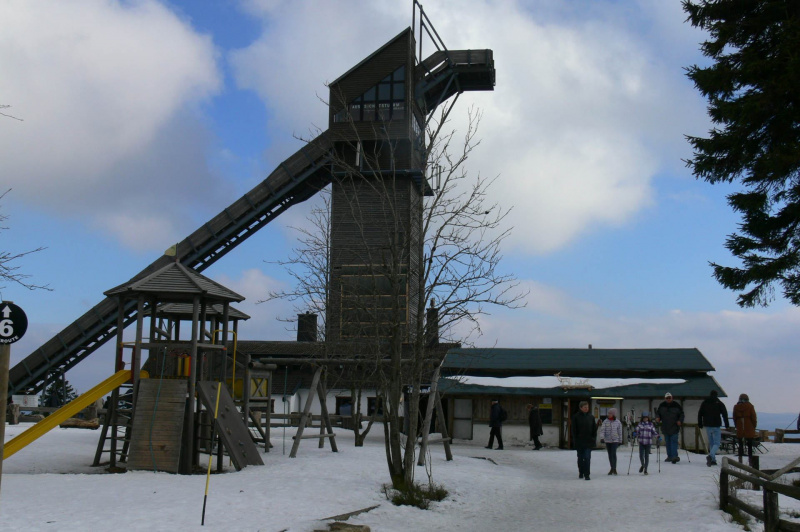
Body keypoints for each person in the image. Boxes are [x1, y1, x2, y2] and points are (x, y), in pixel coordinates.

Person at [697, 389, 730, 466]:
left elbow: (700, 413)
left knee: (711, 443)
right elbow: (724, 414)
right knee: (717, 443)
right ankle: (711, 455)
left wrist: (700, 423)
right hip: (716, 425)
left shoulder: (705, 402)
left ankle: (713, 460)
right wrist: (727, 424)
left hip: (707, 425)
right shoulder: (719, 403)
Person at [571, 401, 597, 480]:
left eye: (587, 407)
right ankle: (581, 472)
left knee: (587, 457)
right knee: (580, 458)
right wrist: (575, 440)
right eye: (585, 407)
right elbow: (574, 430)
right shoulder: (576, 417)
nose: (586, 409)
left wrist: (593, 439)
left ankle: (587, 474)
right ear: (581, 408)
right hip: (580, 441)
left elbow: (594, 430)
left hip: (589, 441)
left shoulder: (591, 417)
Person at [656, 392, 684, 463]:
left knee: (674, 442)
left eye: (669, 398)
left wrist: (680, 420)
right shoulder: (662, 405)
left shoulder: (677, 405)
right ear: (665, 398)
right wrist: (657, 417)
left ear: (672, 398)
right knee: (668, 442)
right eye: (667, 398)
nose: (668, 399)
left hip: (674, 426)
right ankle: (670, 456)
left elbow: (682, 414)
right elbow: (658, 413)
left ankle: (674, 456)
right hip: (665, 427)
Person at [733, 393, 757, 459]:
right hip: (748, 425)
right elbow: (753, 417)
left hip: (739, 424)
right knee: (749, 442)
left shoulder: (736, 407)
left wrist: (736, 425)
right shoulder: (750, 406)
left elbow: (734, 417)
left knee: (740, 441)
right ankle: (750, 454)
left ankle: (740, 453)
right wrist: (754, 426)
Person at [599, 407, 623, 475]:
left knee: (613, 453)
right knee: (610, 454)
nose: (608, 414)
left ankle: (614, 468)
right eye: (608, 413)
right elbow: (602, 430)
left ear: (613, 414)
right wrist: (602, 438)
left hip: (615, 440)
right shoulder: (605, 421)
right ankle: (612, 467)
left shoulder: (618, 422)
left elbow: (620, 432)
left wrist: (620, 441)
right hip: (608, 440)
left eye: (610, 413)